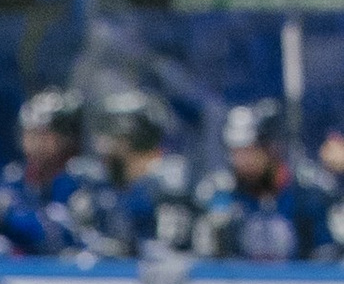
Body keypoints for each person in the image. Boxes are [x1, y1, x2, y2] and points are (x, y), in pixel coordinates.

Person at [189, 100, 343, 263]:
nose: (240, 161)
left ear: (272, 148)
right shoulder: (220, 194)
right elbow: (205, 264)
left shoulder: (310, 195)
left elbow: (329, 263)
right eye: (234, 152)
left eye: (248, 151)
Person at [70, 89, 194, 259]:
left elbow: (172, 252)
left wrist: (129, 250)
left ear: (131, 140)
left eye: (111, 137)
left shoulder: (168, 190)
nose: (101, 146)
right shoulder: (95, 189)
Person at [0, 86, 96, 256]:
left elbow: (58, 235)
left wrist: (6, 216)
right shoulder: (13, 178)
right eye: (28, 133)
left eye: (42, 134)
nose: (32, 143)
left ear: (66, 136)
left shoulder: (82, 179)